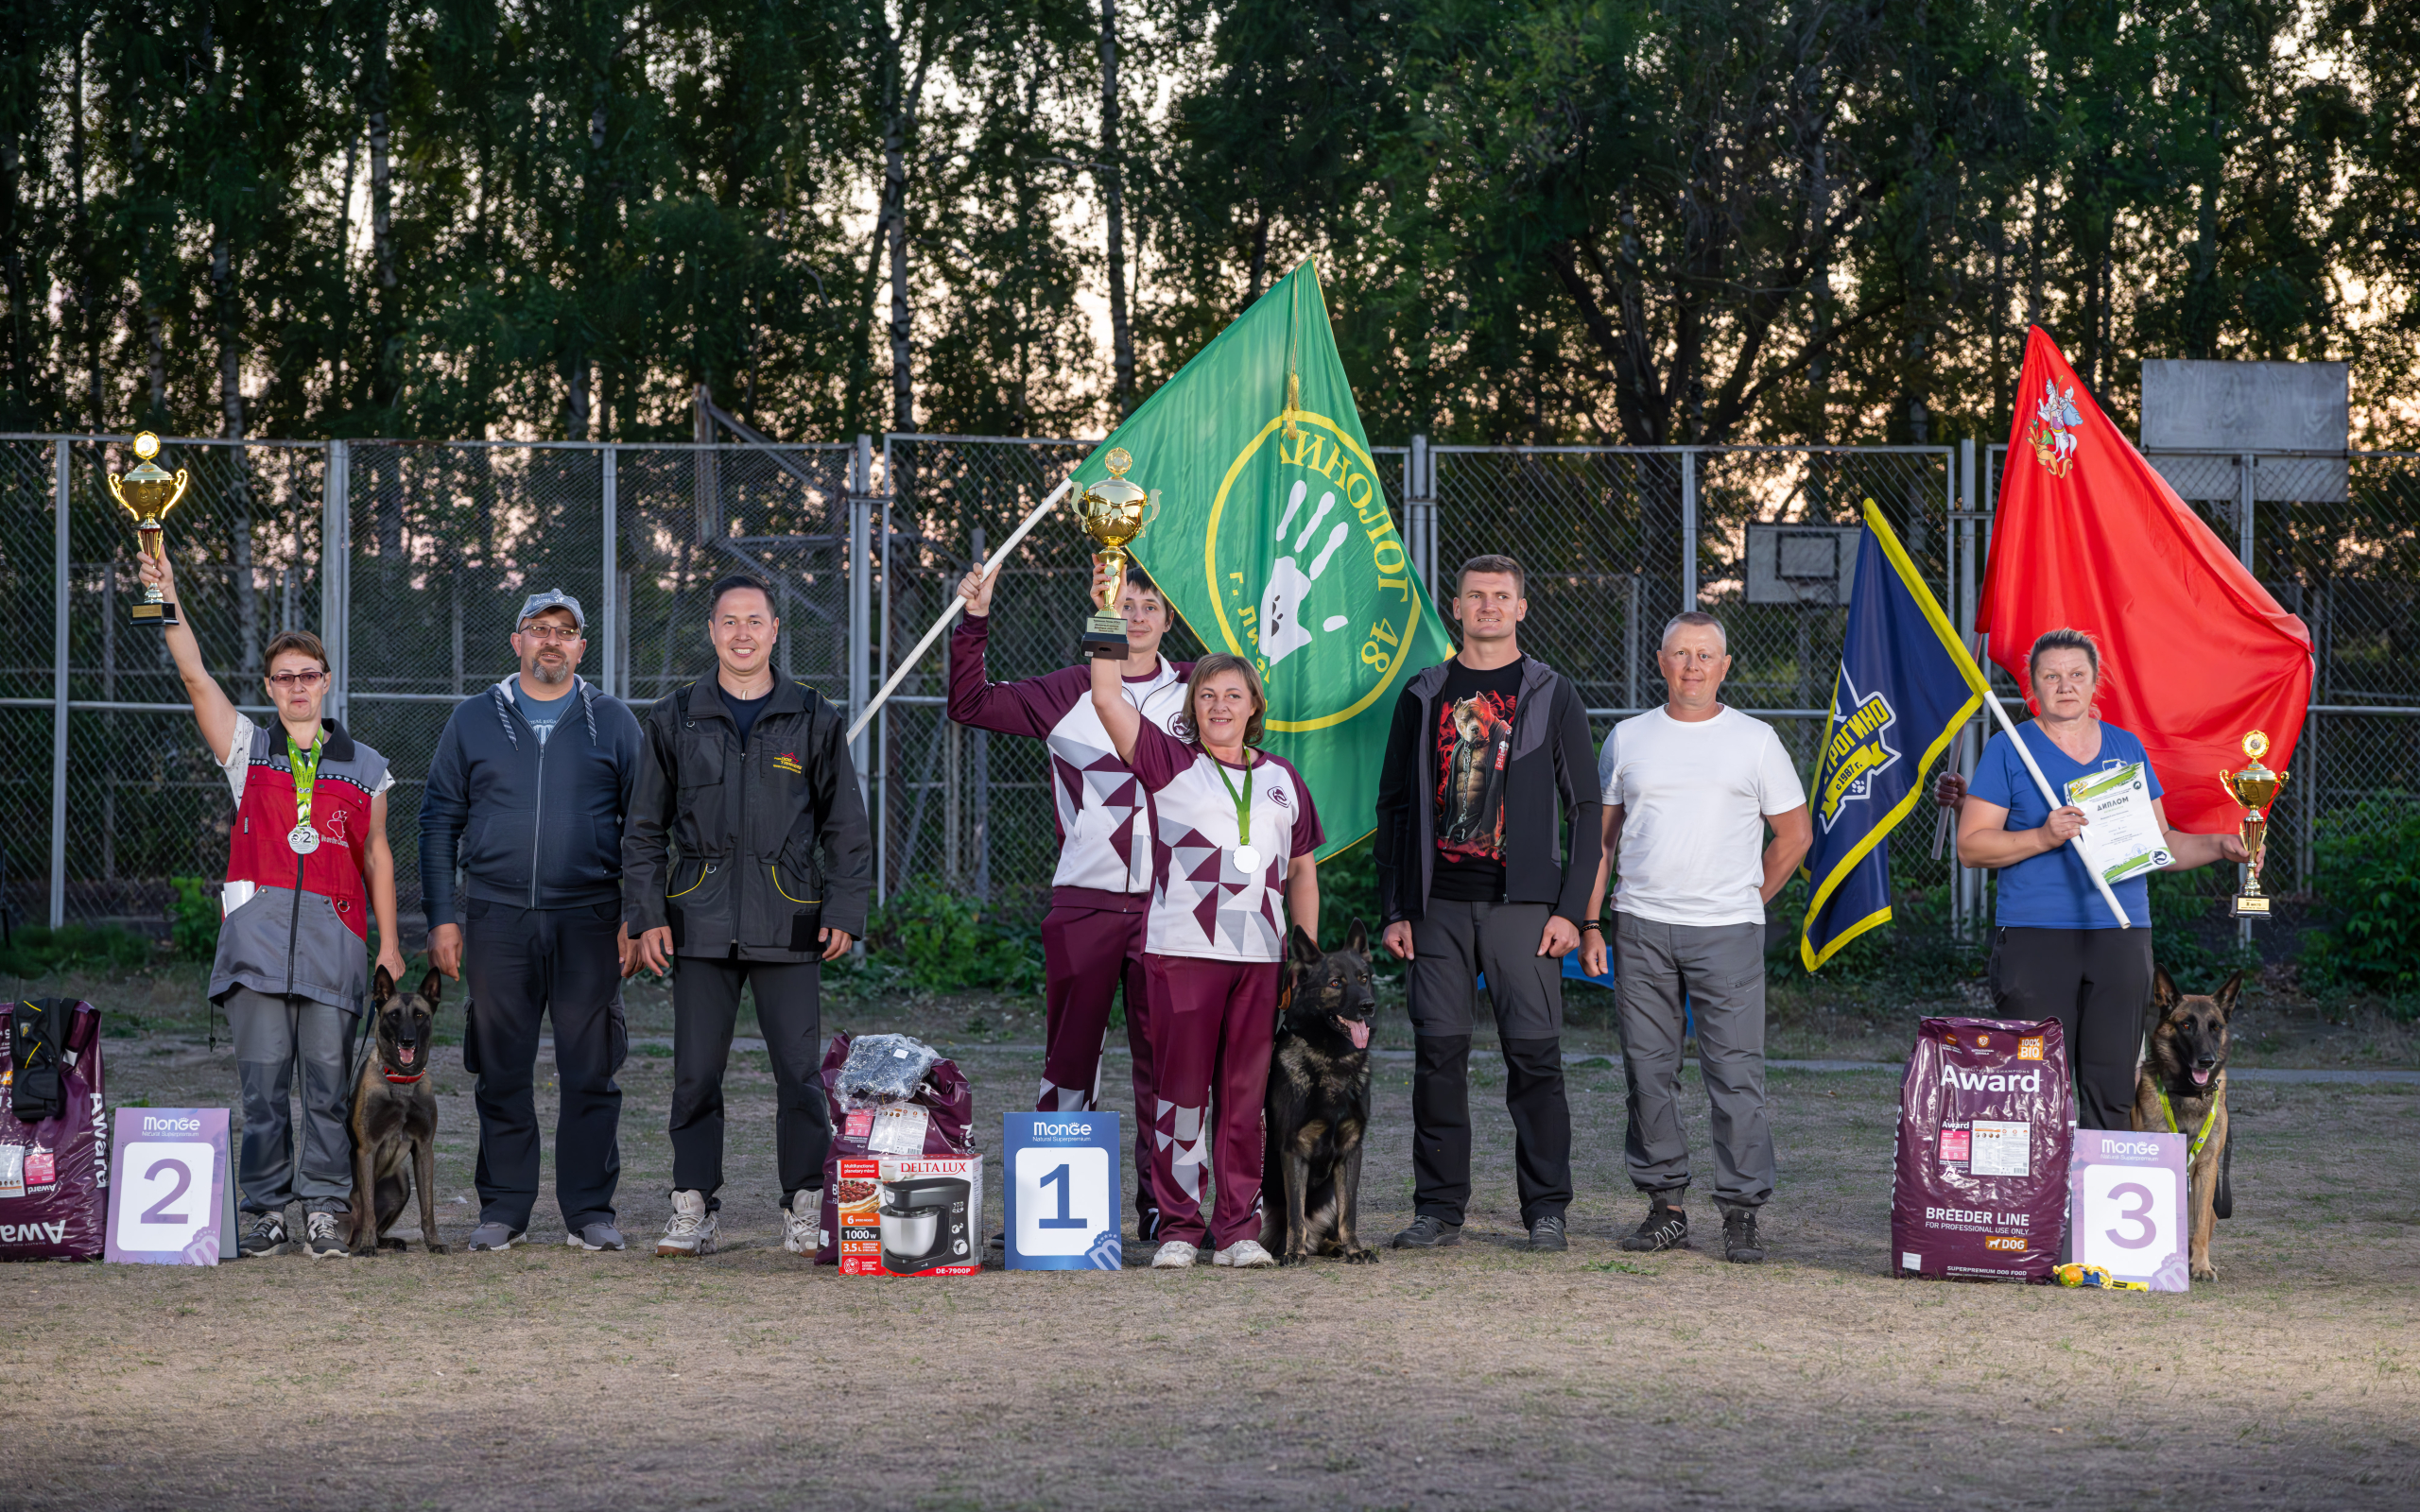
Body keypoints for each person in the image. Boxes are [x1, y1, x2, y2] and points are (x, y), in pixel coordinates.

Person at [139, 553, 407, 1261]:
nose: (296, 687)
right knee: (262, 1093)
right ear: (270, 686)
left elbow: (377, 854)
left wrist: (388, 943)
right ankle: (264, 1210)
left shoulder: (366, 764)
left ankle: (323, 1205)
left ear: (325, 683)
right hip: (256, 950)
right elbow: (195, 676)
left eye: (308, 676)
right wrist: (166, 597)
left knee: (326, 1087)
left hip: (337, 947)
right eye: (284, 677)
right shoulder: (247, 749)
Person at [624, 573, 871, 1258]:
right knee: (695, 1074)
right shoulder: (675, 716)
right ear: (711, 632)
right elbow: (644, 829)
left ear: (774, 631)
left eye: (753, 621)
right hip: (696, 924)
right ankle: (693, 1207)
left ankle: (803, 1205)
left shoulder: (813, 716)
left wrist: (844, 908)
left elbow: (846, 827)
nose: (741, 633)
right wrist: (646, 916)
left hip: (788, 921)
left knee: (798, 1075)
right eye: (728, 621)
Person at [948, 559, 1189, 1241]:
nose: (1138, 616)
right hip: (1086, 900)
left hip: (1174, 906)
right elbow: (970, 703)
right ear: (1104, 608)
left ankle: (1166, 1211)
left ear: (1169, 620)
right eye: (1126, 603)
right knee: (1070, 1059)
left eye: (1151, 606)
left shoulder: (1200, 692)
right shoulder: (1068, 691)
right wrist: (975, 620)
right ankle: (1052, 1217)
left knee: (1165, 1061)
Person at [1374, 555, 1601, 1254]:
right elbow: (1395, 806)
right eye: (1477, 597)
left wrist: (1570, 909)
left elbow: (1586, 808)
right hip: (1436, 907)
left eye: (1503, 597)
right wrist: (1394, 909)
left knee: (1534, 1061)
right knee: (1437, 1058)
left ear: (1522, 608)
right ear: (1458, 607)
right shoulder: (1422, 693)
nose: (1490, 608)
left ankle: (1546, 1211)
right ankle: (1439, 1210)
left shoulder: (1550, 692)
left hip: (1525, 912)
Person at [1934, 627, 2247, 1130]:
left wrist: (2219, 844)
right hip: (2036, 935)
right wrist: (2042, 835)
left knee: (2113, 1083)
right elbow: (1972, 846)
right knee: (2034, 1080)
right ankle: (2037, 1206)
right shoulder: (2008, 749)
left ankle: (2100, 1206)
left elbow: (2159, 845)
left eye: (2077, 674)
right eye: (2051, 676)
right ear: (2033, 686)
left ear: (2096, 682)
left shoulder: (2125, 749)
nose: (2065, 686)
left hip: (2119, 935)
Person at [1581, 610, 1810, 1263]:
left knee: (1736, 1077)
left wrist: (1747, 901)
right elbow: (1602, 842)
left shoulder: (1756, 740)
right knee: (1648, 1073)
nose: (1692, 666)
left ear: (1725, 666)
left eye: (1705, 655)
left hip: (1727, 933)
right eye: (1680, 654)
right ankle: (1666, 1206)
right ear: (1661, 662)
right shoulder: (1627, 739)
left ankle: (1741, 1211)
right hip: (1642, 927)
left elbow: (1793, 836)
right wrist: (1593, 920)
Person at [420, 590, 645, 1253]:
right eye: (538, 629)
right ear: (516, 641)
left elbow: (644, 829)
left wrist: (636, 916)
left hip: (590, 920)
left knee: (591, 1068)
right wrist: (442, 918)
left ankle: (589, 1211)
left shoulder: (615, 722)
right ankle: (505, 1210)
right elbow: (437, 822)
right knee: (502, 1068)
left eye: (565, 631)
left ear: (582, 646)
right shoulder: (472, 720)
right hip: (496, 917)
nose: (552, 641)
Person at [1088, 649, 1321, 1270]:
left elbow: (1302, 873)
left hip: (1261, 960)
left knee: (1244, 1098)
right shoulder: (1169, 762)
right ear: (1192, 706)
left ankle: (1238, 1228)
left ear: (1254, 708)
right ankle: (1180, 1228)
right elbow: (1108, 699)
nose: (1220, 706)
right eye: (1207, 695)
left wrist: (1305, 960)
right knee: (1181, 1095)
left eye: (1233, 696)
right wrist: (1105, 617)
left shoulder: (1283, 779)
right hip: (1180, 953)